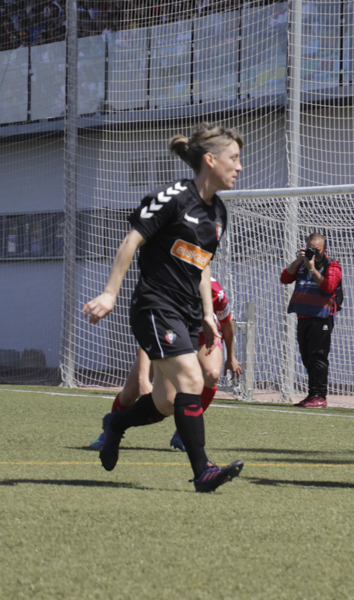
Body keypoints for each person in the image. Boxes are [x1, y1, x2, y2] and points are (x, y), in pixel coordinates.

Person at [82, 122, 245, 493]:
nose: (239, 167)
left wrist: (206, 313)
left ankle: (115, 425)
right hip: (154, 305)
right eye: (233, 159)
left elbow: (201, 266)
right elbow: (131, 241)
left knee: (168, 401)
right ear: (210, 159)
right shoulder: (174, 196)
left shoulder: (219, 213)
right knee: (192, 379)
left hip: (187, 312)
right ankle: (203, 471)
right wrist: (109, 293)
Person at [89, 278, 243, 452]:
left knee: (212, 374)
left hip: (202, 337)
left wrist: (231, 357)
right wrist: (143, 380)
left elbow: (227, 324)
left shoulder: (215, 291)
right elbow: (150, 330)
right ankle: (111, 432)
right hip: (166, 338)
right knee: (130, 395)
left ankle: (183, 433)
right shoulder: (164, 284)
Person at [279, 232, 343, 408]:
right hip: (303, 316)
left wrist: (312, 268)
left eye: (317, 249)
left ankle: (320, 396)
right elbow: (284, 279)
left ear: (325, 248)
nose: (313, 252)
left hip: (321, 316)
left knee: (318, 357)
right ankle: (312, 394)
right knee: (307, 357)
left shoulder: (332, 265)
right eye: (310, 248)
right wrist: (299, 261)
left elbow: (329, 286)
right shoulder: (302, 263)